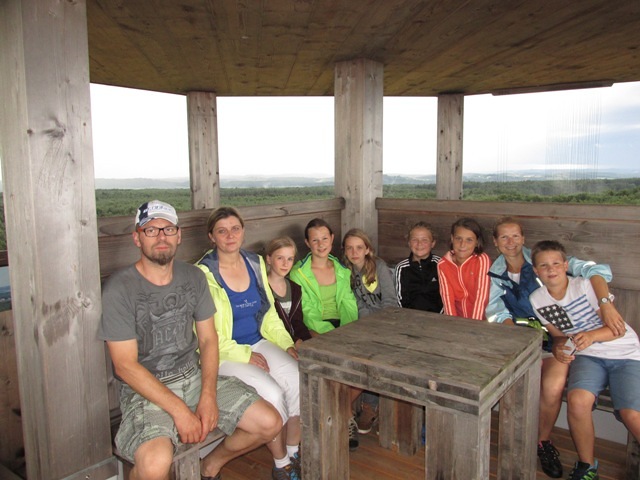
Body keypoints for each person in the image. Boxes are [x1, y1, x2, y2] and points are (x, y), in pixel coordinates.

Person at [99, 200, 282, 480]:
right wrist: (180, 411)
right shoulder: (120, 288)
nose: (161, 237)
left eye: (168, 229)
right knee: (155, 464)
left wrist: (208, 396)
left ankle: (209, 466)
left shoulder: (193, 277)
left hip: (193, 377)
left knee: (269, 422)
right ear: (137, 238)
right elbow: (125, 365)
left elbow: (208, 340)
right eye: (151, 230)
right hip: (146, 390)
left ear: (179, 236)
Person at [486, 217, 626, 479]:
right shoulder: (495, 273)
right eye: (503, 237)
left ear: (523, 238)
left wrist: (605, 303)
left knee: (552, 386)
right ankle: (515, 443)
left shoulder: (543, 260)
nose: (510, 242)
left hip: (557, 341)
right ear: (495, 242)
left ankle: (542, 442)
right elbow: (495, 310)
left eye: (515, 235)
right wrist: (515, 335)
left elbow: (596, 270)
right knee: (509, 383)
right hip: (519, 341)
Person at [196, 207, 301, 480]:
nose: (230, 235)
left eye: (235, 229)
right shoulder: (203, 274)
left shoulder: (254, 263)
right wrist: (244, 355)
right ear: (212, 237)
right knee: (272, 395)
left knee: (297, 378)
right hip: (223, 353)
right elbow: (205, 335)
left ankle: (293, 453)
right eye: (222, 231)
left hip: (257, 341)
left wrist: (287, 344)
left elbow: (268, 313)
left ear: (243, 231)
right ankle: (281, 465)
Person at [529, 240, 640, 480]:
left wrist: (590, 336)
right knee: (578, 400)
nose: (551, 269)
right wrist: (559, 348)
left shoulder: (585, 286)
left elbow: (617, 330)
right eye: (544, 265)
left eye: (556, 263)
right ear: (536, 271)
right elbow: (560, 336)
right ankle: (587, 466)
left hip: (625, 353)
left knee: (632, 413)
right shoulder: (537, 300)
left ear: (566, 265)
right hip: (588, 356)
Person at [289, 218, 361, 450]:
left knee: (365, 367)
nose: (321, 244)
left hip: (344, 327)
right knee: (338, 367)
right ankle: (345, 416)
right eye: (315, 240)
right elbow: (307, 312)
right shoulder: (299, 273)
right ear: (307, 243)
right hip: (316, 329)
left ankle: (339, 411)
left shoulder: (341, 269)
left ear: (332, 239)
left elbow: (348, 304)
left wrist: (349, 332)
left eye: (325, 238)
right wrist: (331, 337)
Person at [342, 228, 397, 435]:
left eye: (359, 247)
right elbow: (358, 304)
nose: (354, 252)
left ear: (367, 249)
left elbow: (390, 302)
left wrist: (378, 328)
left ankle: (365, 406)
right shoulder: (346, 272)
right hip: (363, 325)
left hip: (387, 323)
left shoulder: (378, 267)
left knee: (374, 358)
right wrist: (366, 327)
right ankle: (349, 407)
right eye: (349, 248)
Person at [437, 217, 491, 320]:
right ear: (452, 238)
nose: (462, 244)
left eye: (469, 240)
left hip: (482, 321)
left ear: (477, 242)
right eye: (458, 239)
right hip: (457, 320)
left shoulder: (481, 260)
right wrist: (453, 324)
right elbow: (447, 299)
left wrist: (473, 324)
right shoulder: (443, 264)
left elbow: (481, 297)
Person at [265, 236, 312, 348]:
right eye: (280, 258)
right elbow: (266, 326)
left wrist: (308, 342)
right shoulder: (262, 289)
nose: (285, 264)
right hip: (272, 343)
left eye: (290, 259)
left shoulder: (295, 289)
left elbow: (297, 322)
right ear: (269, 259)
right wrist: (294, 341)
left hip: (295, 342)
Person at [394, 221, 443, 313]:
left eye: (425, 240)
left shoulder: (440, 265)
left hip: (437, 317)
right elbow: (399, 299)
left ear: (432, 243)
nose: (419, 244)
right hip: (409, 317)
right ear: (409, 243)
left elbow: (446, 296)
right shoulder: (402, 268)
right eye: (414, 240)